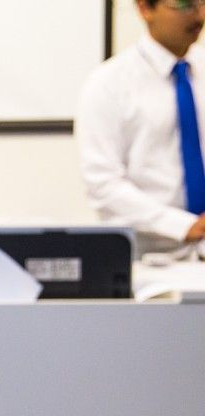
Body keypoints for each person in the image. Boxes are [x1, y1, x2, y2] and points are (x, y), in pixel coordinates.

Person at [78, 0, 205, 256]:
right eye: (185, 5)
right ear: (145, 8)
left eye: (202, 3)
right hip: (150, 258)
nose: (199, 16)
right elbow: (103, 185)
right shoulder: (108, 84)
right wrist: (184, 225)